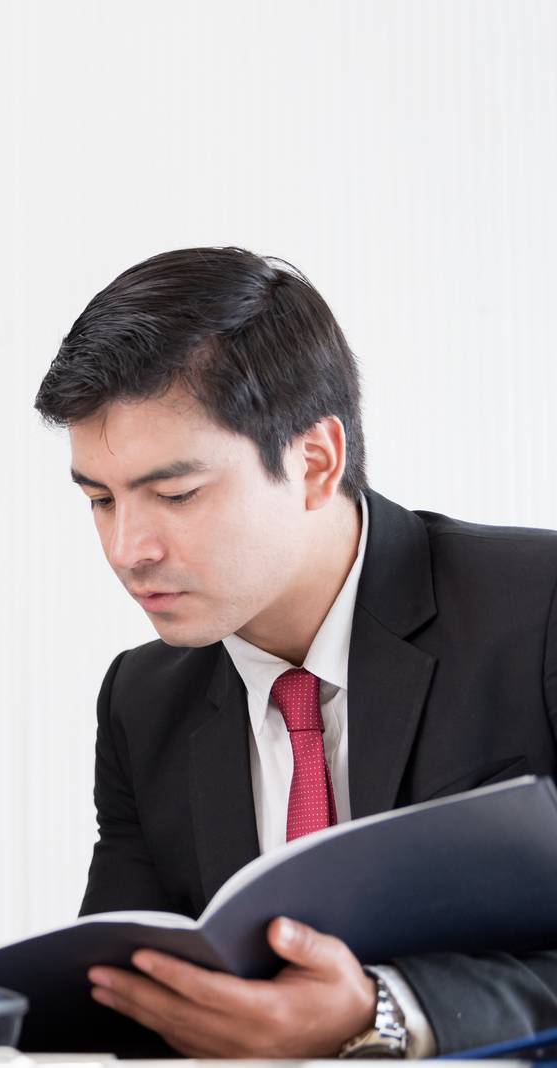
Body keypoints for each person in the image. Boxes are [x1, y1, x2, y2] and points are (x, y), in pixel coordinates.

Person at [32, 247, 557, 1058]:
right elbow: (125, 1011)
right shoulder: (143, 699)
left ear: (316, 462)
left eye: (175, 495)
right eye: (100, 500)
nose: (127, 548)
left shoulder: (538, 610)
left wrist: (386, 1011)